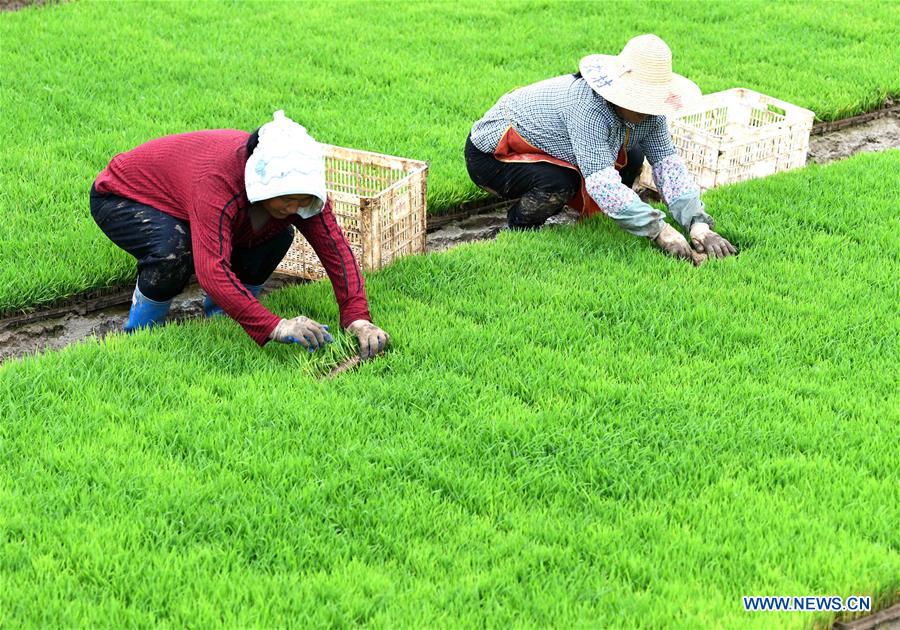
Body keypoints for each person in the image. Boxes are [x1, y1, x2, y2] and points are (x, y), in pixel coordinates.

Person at [89, 110, 389, 359]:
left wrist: (357, 317)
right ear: (262, 183)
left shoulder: (303, 195)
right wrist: (275, 326)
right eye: (287, 199)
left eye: (302, 199)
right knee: (174, 251)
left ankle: (223, 316)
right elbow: (211, 270)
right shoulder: (217, 181)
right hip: (124, 197)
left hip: (190, 200)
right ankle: (141, 334)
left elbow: (336, 250)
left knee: (276, 236)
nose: (296, 207)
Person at [465, 34, 737, 262]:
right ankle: (520, 227)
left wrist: (698, 224)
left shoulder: (652, 115)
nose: (646, 108)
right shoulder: (588, 108)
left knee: (633, 157)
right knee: (559, 182)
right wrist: (660, 230)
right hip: (494, 155)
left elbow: (668, 167)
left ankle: (587, 208)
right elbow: (603, 184)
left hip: (552, 148)